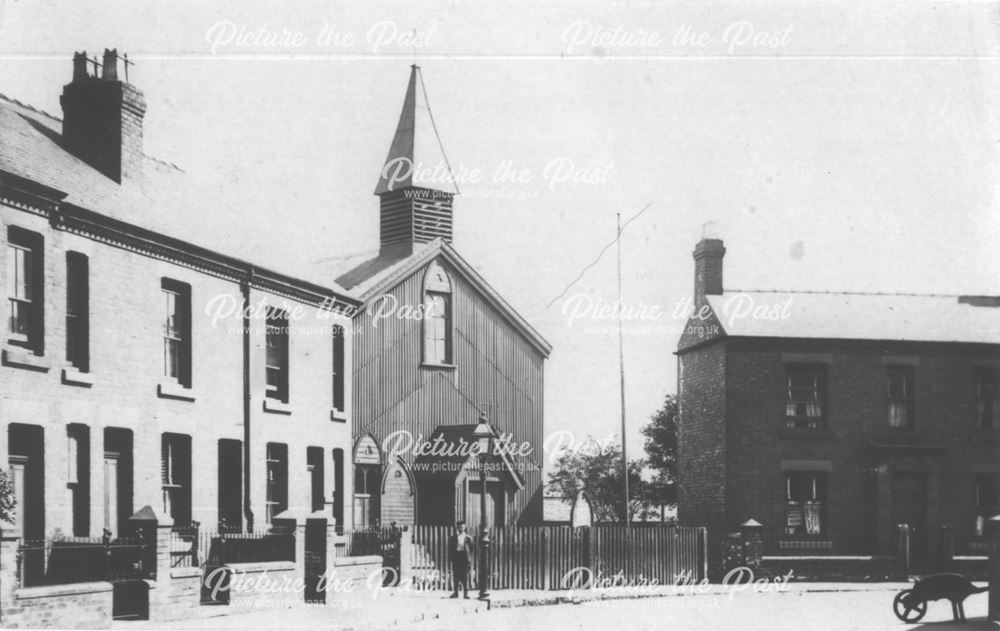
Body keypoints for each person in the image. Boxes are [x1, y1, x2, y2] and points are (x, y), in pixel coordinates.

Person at [447, 520, 474, 598]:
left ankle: (466, 593)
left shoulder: (468, 538)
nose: (460, 528)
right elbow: (450, 548)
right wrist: (451, 557)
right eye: (459, 527)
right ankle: (456, 593)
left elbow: (471, 548)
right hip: (456, 557)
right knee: (456, 575)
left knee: (465, 575)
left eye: (462, 527)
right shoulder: (453, 538)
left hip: (464, 557)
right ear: (457, 528)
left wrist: (468, 556)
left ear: (465, 527)